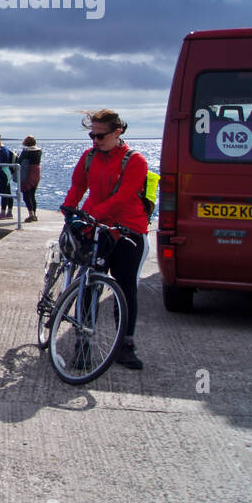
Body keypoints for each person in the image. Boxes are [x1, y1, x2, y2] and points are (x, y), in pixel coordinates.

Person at [61, 109, 149, 370]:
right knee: (88, 286)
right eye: (92, 135)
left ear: (117, 132)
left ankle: (125, 346)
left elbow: (123, 197)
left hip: (127, 232)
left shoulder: (135, 161)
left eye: (100, 135)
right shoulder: (89, 157)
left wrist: (90, 215)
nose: (95, 140)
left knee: (125, 288)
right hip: (95, 229)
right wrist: (69, 210)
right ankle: (83, 345)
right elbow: (78, 186)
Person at [17, 135, 42, 222]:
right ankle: (34, 214)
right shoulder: (39, 151)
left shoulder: (26, 151)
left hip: (28, 172)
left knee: (26, 194)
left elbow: (19, 161)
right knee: (32, 194)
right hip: (37, 172)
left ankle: (31, 214)